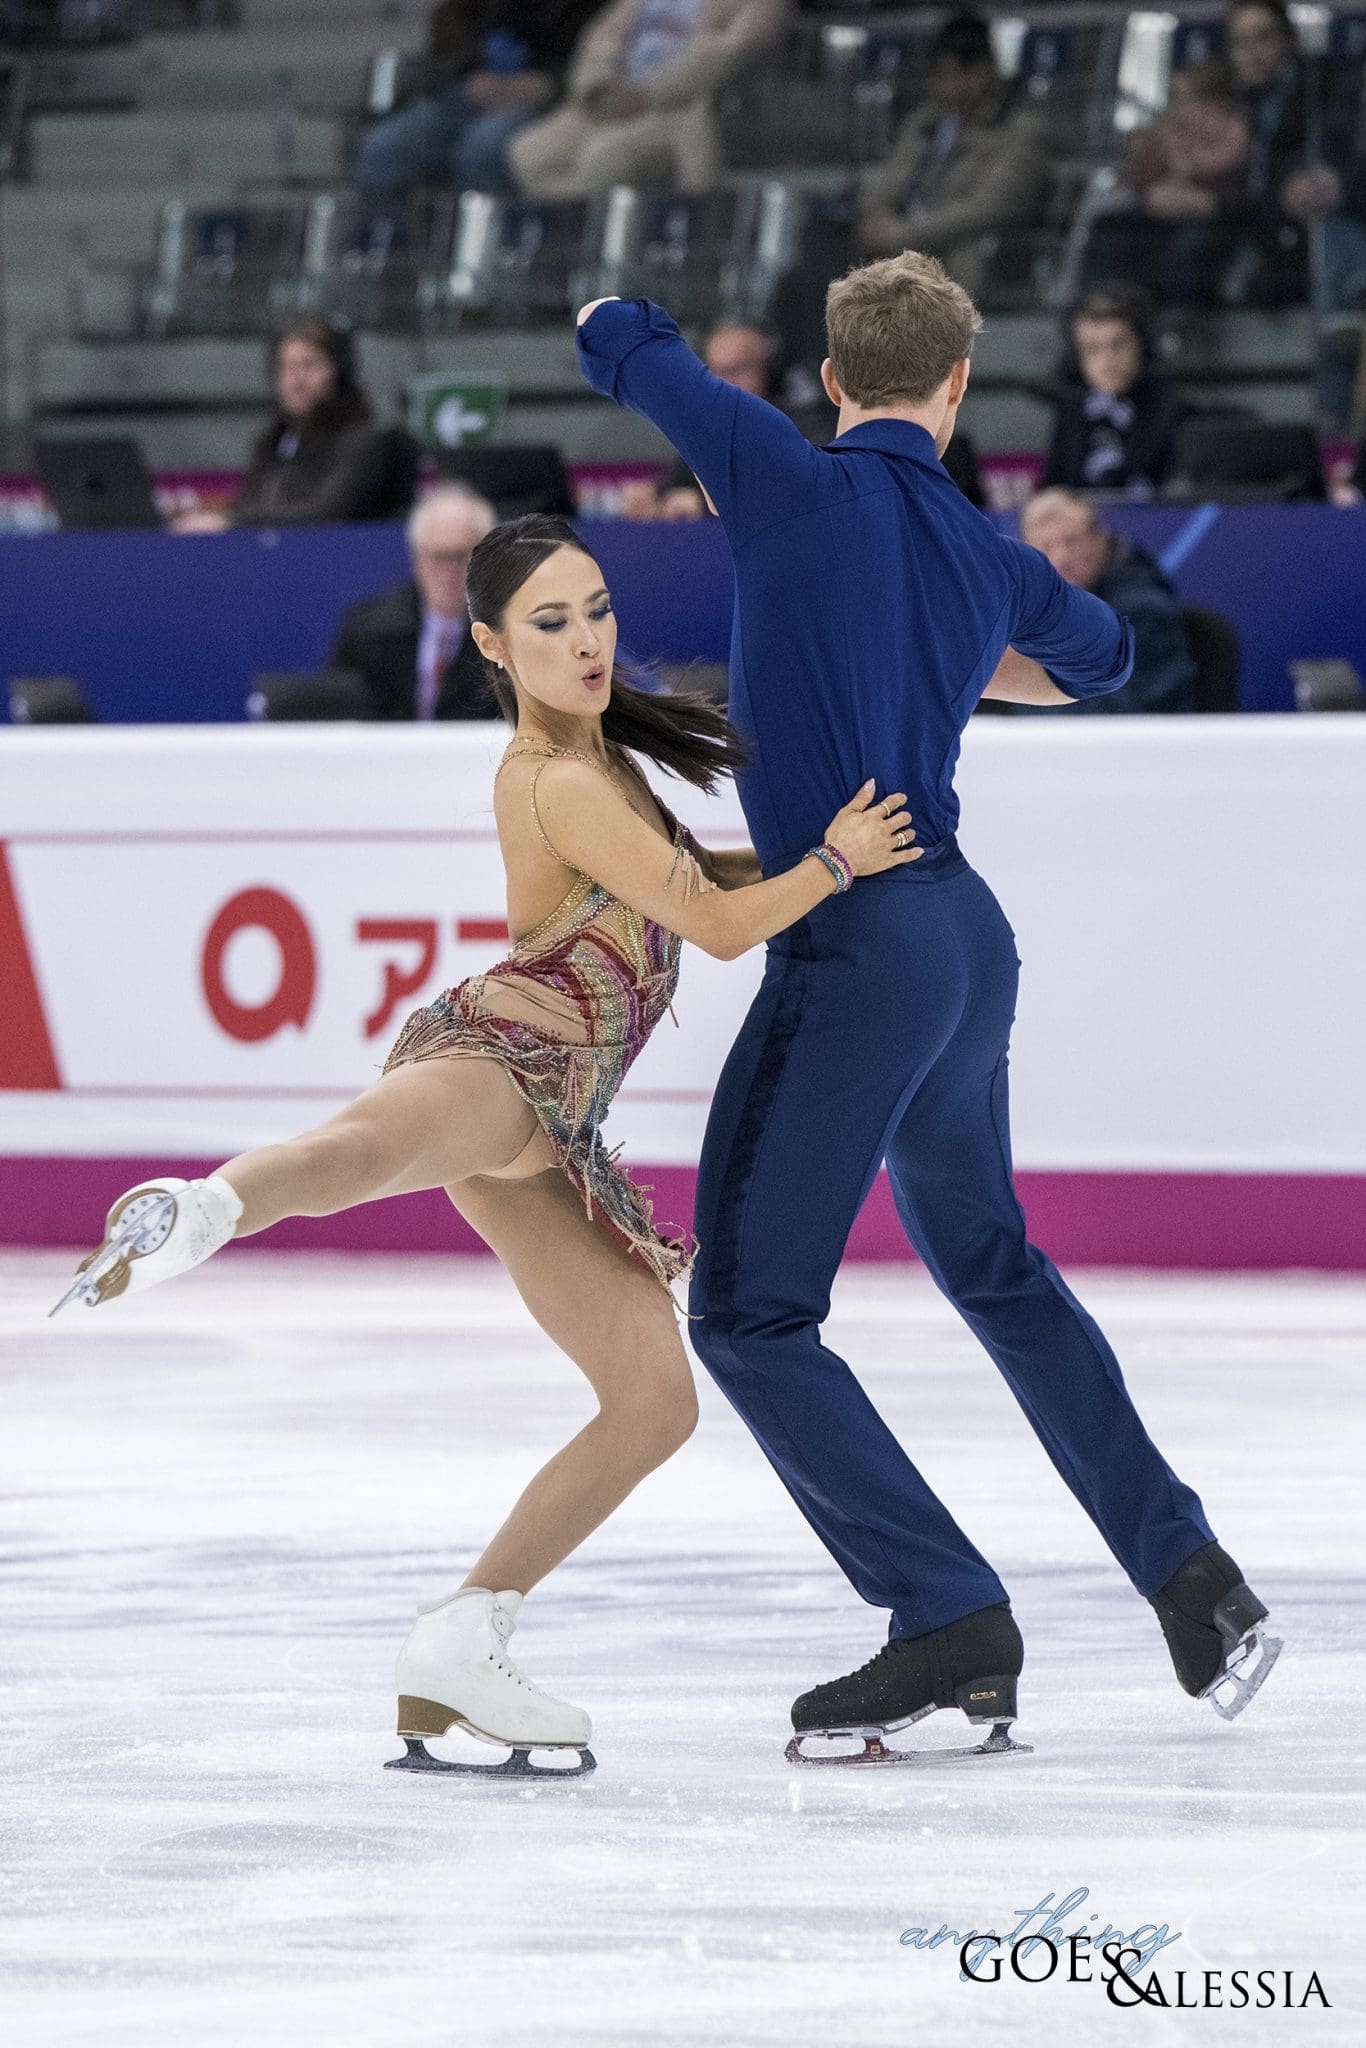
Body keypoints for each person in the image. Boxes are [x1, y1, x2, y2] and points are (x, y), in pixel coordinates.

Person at [51, 515, 916, 1773]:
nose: (588, 640)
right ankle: (201, 1208)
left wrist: (800, 857)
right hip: (502, 1058)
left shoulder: (602, 761)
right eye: (551, 622)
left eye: (598, 609)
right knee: (361, 1149)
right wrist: (837, 862)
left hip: (559, 1130)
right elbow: (719, 927)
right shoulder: (553, 776)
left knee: (653, 1402)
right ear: (495, 645)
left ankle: (460, 1639)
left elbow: (684, 877)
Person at [575, 258, 1279, 1762]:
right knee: (993, 1267)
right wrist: (947, 654)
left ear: (833, 378)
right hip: (965, 943)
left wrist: (610, 316)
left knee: (751, 1312)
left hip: (856, 948)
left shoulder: (776, 468)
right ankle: (1193, 1580)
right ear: (958, 389)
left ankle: (945, 1608)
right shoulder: (982, 546)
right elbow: (1105, 659)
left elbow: (620, 342)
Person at [351, 1, 606, 237]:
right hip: (465, 91)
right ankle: (386, 254)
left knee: (483, 146)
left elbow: (603, 56)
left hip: (552, 100)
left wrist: (551, 84)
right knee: (384, 147)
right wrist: (468, 75)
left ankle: (493, 255)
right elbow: (447, 38)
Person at [854, 12, 1053, 299]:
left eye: (956, 74)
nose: (947, 87)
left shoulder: (1021, 130)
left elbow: (990, 207)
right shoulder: (926, 120)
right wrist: (873, 211)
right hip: (904, 246)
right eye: (940, 76)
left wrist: (902, 234)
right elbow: (892, 178)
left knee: (963, 257)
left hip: (964, 249)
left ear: (985, 69)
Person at [509, 0, 788, 201]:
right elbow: (601, 38)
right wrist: (600, 86)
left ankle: (617, 239)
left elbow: (729, 54)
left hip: (680, 111)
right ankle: (581, 234)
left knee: (605, 159)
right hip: (611, 102)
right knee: (530, 154)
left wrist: (646, 95)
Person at [173, 318, 419, 534]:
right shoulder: (274, 444)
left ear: (340, 373)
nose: (296, 380)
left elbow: (325, 514)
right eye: (286, 368)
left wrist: (232, 524)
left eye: (309, 365)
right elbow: (245, 506)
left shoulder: (366, 443)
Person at [618, 320, 830, 520]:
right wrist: (653, 497)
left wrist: (703, 505)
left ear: (769, 372)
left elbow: (792, 490)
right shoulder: (711, 427)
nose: (720, 384)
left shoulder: (806, 422)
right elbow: (676, 482)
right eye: (711, 373)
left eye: (735, 370)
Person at [329, 485, 499, 720]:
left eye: (461, 558)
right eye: (438, 557)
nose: (449, 573)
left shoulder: (508, 637)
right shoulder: (368, 630)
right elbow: (336, 719)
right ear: (417, 557)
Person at [1019, 490, 1197, 714]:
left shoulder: (1143, 609)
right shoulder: (1030, 615)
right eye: (1046, 547)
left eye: (1072, 542)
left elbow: (1135, 709)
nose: (1061, 558)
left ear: (1100, 538)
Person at [1041, 283, 1187, 494]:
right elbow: (1054, 485)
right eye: (1092, 349)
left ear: (1142, 345)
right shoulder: (1071, 409)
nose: (1107, 361)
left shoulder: (1172, 410)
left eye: (1118, 345)